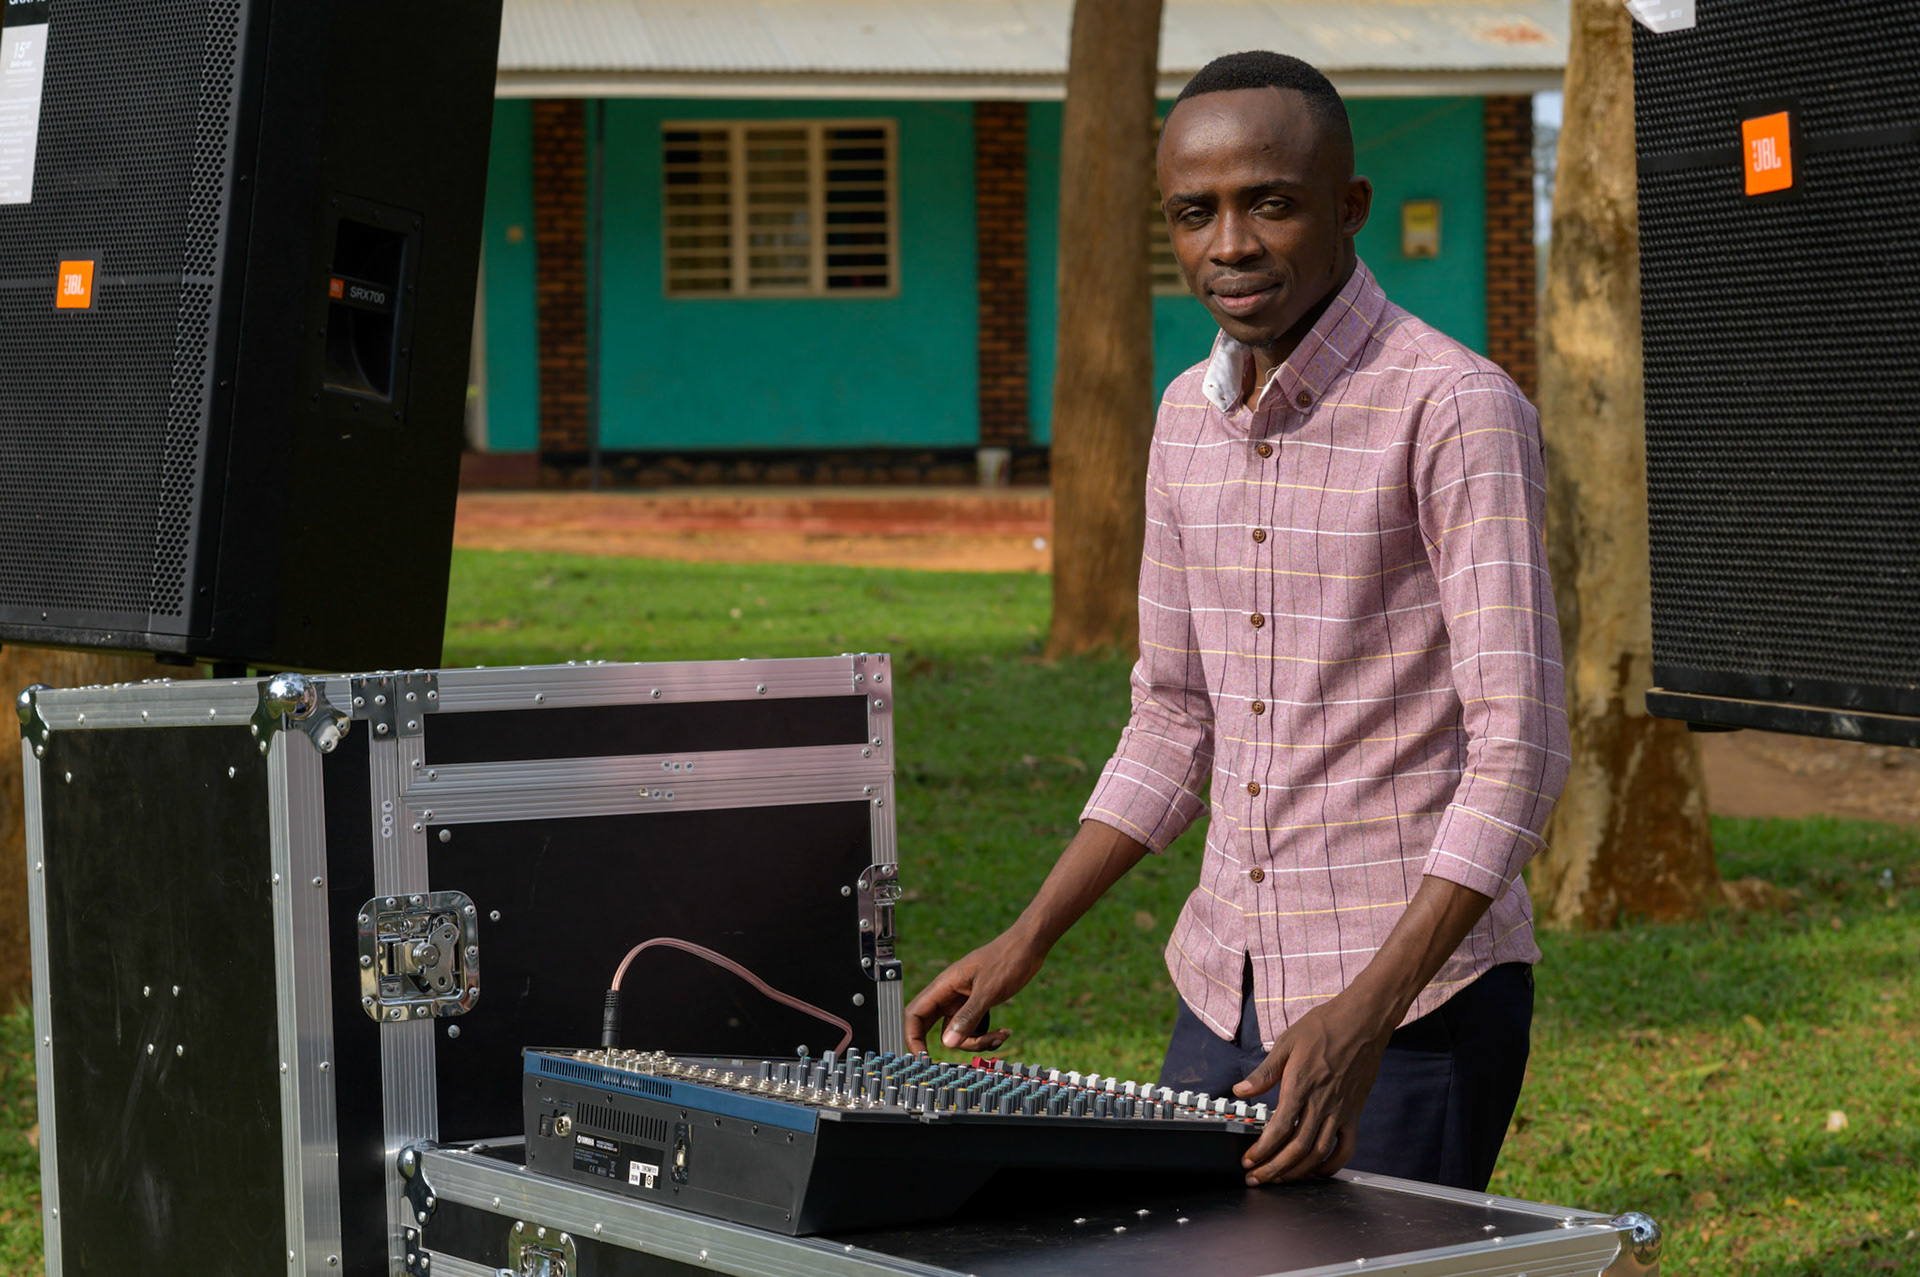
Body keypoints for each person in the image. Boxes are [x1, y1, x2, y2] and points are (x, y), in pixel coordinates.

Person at [905, 51, 1568, 1193]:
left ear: (1348, 207)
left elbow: (1522, 749)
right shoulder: (1183, 419)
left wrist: (1366, 1014)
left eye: (1270, 203)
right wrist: (1028, 936)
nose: (1231, 245)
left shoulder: (1455, 408)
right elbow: (1174, 718)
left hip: (1413, 1010)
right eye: (1194, 212)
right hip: (1223, 986)